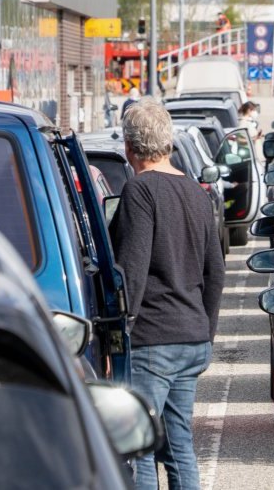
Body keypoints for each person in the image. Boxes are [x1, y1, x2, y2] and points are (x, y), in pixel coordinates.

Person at [110, 99, 225, 490]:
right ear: (170, 144)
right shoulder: (197, 193)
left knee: (139, 448)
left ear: (129, 148)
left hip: (151, 339)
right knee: (178, 445)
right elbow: (217, 271)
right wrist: (205, 332)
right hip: (191, 336)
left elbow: (132, 270)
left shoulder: (139, 191)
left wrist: (119, 328)